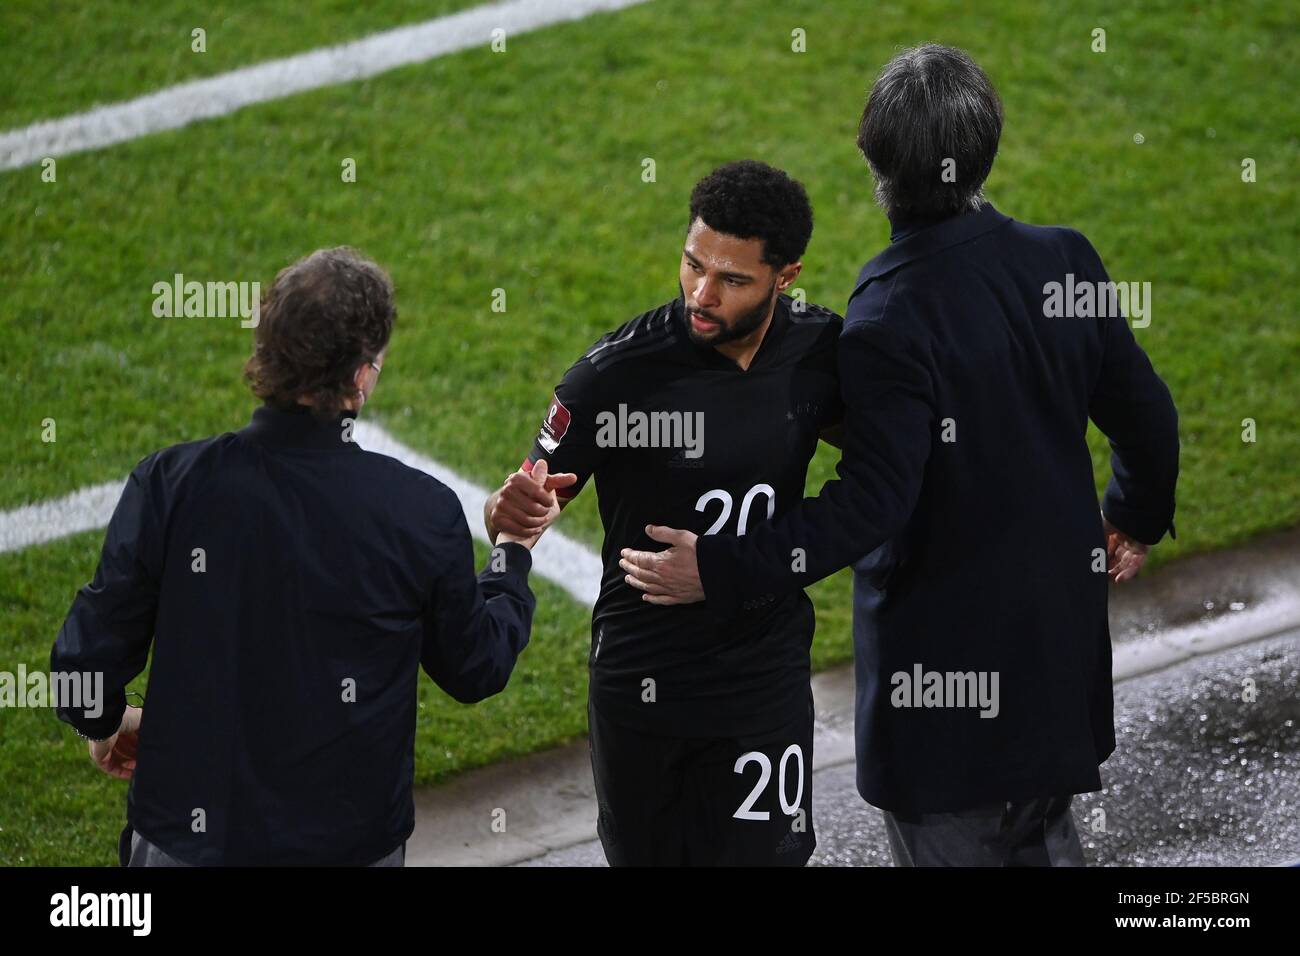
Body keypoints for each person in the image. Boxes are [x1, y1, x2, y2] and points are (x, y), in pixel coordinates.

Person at [620, 46, 1180, 867]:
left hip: (946, 707)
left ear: (873, 160)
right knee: (1044, 842)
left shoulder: (888, 318)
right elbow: (1147, 415)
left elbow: (872, 504)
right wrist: (1133, 517)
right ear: (986, 147)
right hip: (1058, 659)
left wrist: (720, 567)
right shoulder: (1066, 257)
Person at [51, 246, 546, 866]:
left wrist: (108, 722)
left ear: (265, 351)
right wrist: (511, 554)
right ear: (362, 376)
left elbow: (82, 671)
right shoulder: (419, 510)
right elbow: (477, 667)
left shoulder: (171, 484)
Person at [485, 161, 844, 865]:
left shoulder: (821, 352)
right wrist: (511, 511)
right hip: (643, 685)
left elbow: (883, 469)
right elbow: (527, 505)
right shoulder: (616, 377)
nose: (701, 294)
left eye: (733, 279)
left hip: (760, 680)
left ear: (787, 276)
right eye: (692, 265)